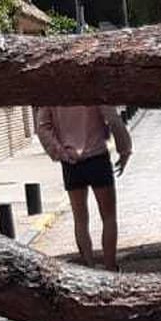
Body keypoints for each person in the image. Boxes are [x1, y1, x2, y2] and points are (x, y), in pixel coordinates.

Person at [32, 101, 134, 271]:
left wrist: (59, 152)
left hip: (71, 162)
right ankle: (110, 267)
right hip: (97, 159)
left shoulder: (52, 91)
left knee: (80, 219)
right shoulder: (91, 85)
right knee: (108, 217)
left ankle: (89, 266)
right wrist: (124, 149)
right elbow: (112, 118)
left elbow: (42, 128)